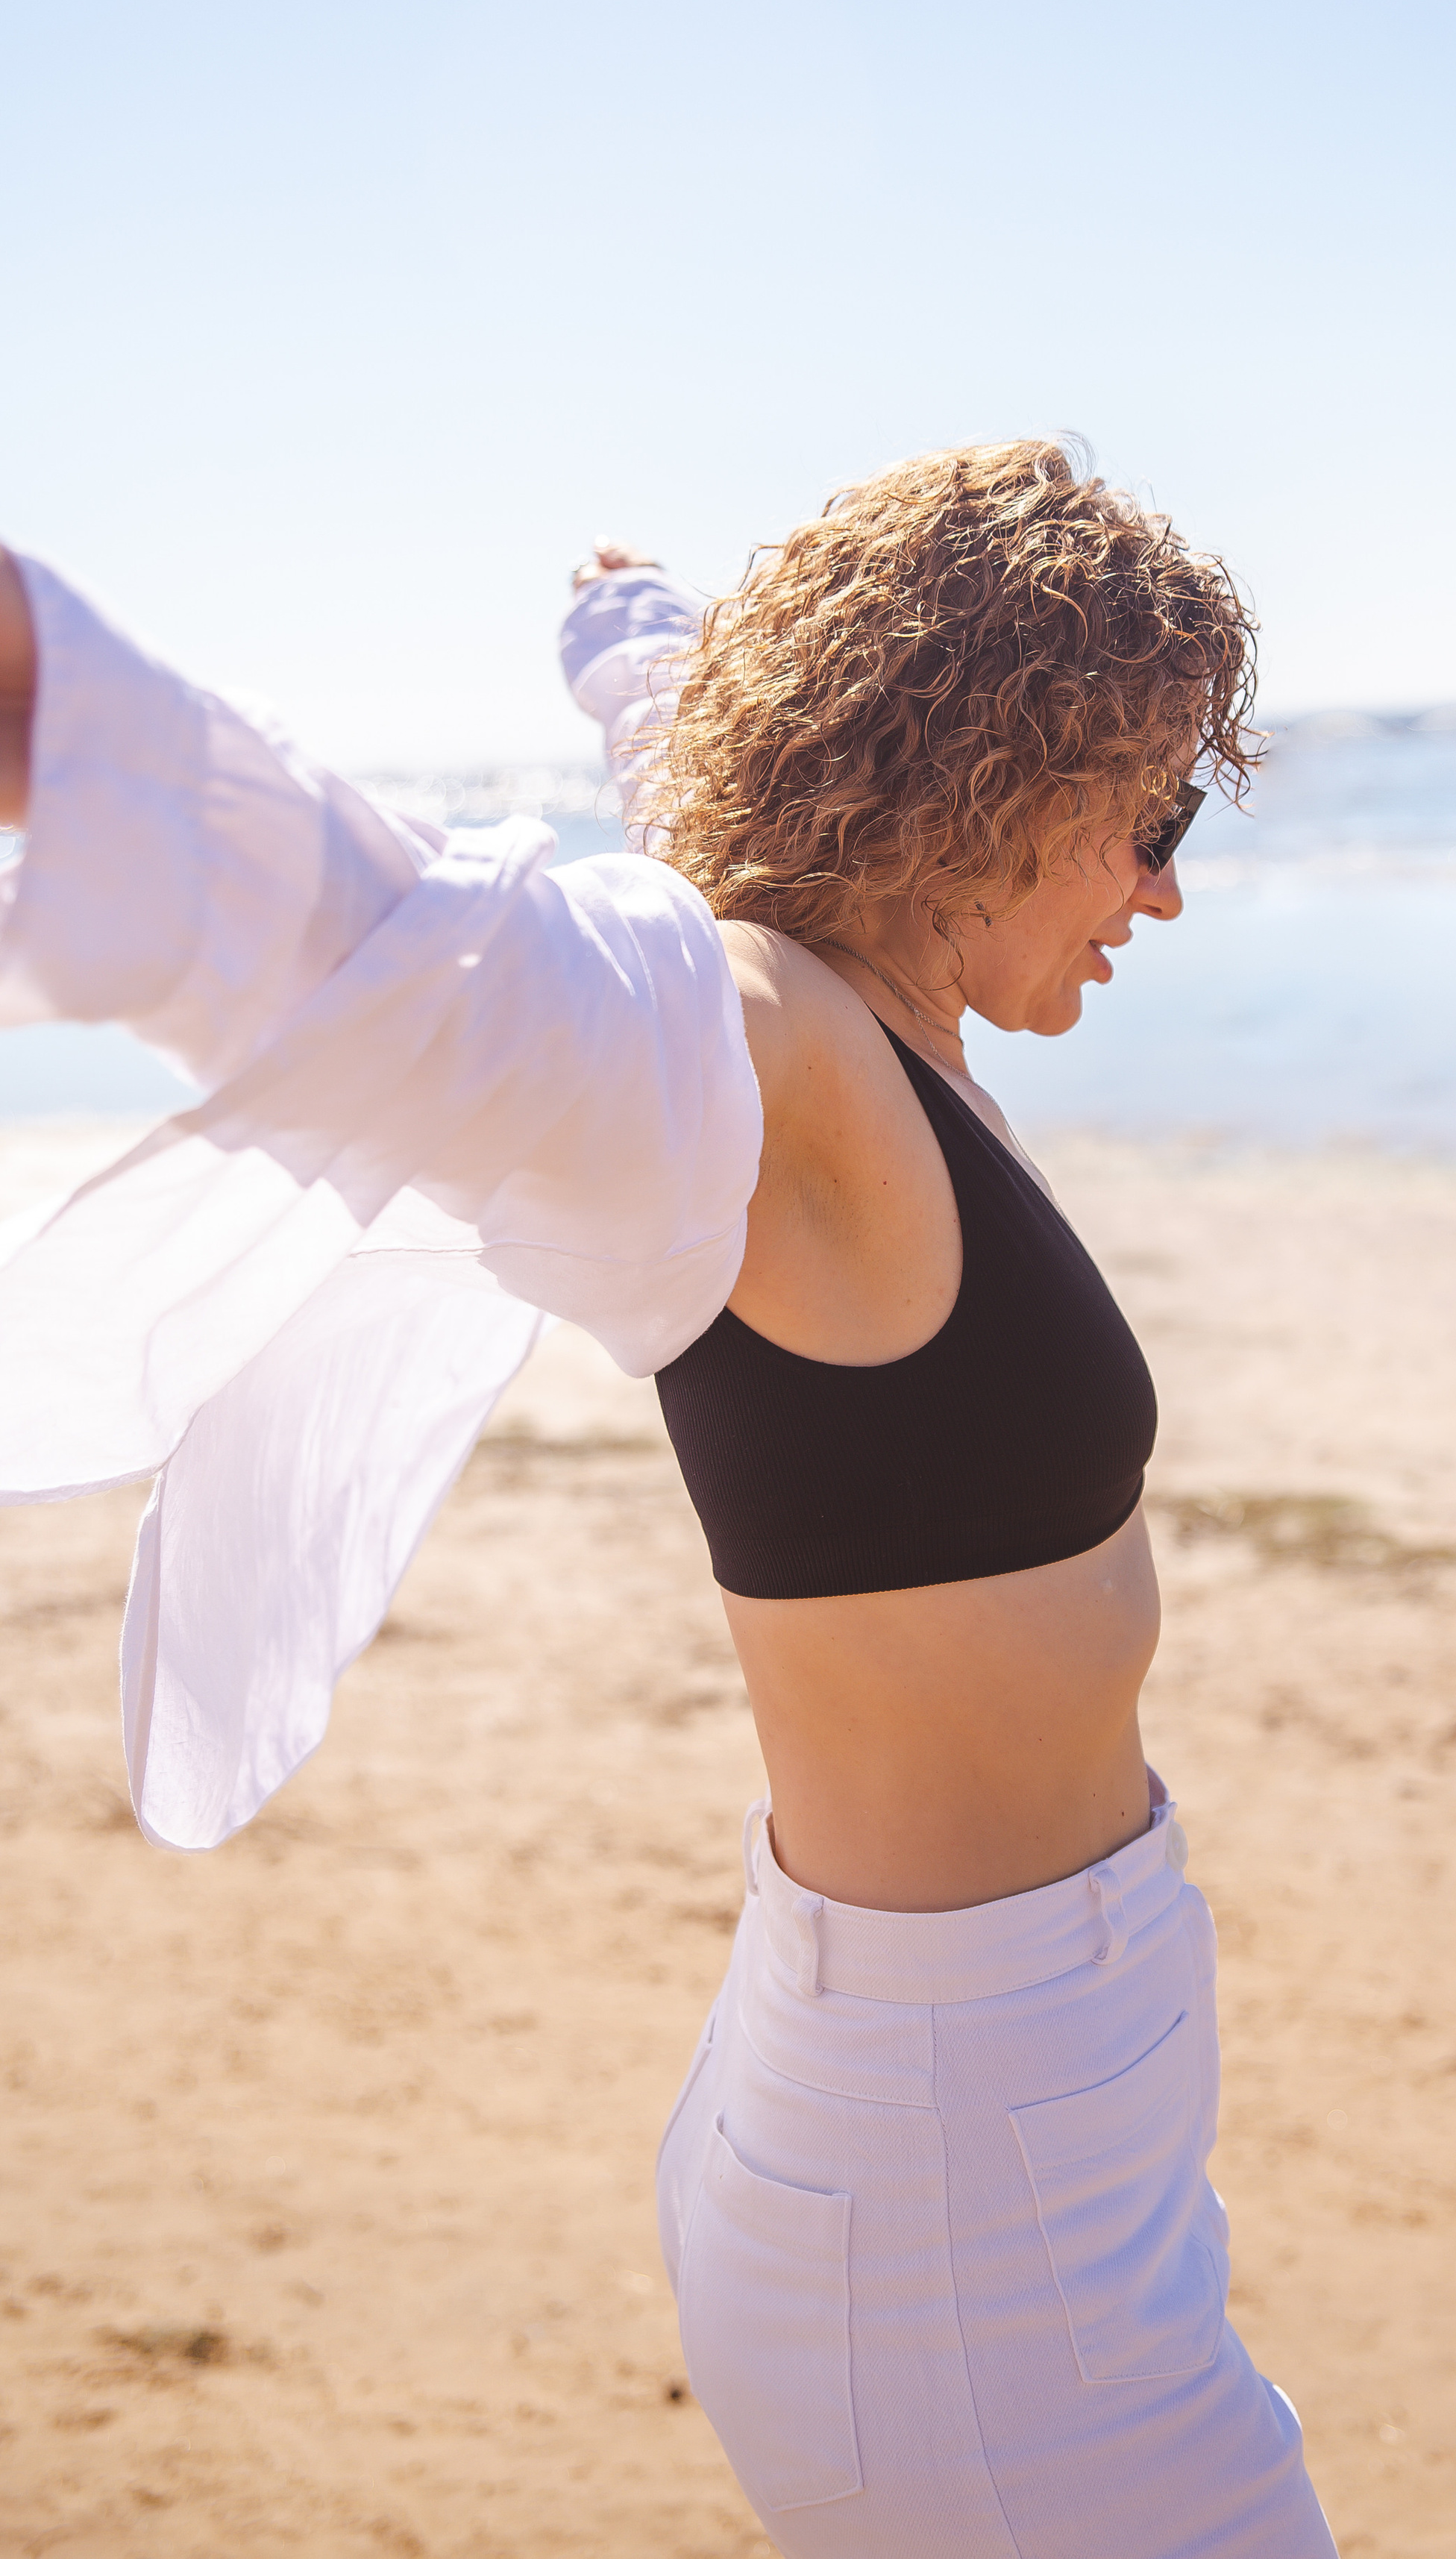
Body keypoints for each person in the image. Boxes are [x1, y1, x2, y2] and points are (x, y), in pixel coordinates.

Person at [0, 442, 1337, 2558]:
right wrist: (54, 701)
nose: (1164, 886)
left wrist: (643, 637)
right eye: (1156, 816)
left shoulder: (858, 1016)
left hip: (995, 2125)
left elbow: (697, 768)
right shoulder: (764, 1045)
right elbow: (438, 964)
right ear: (996, 776)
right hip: (966, 2209)